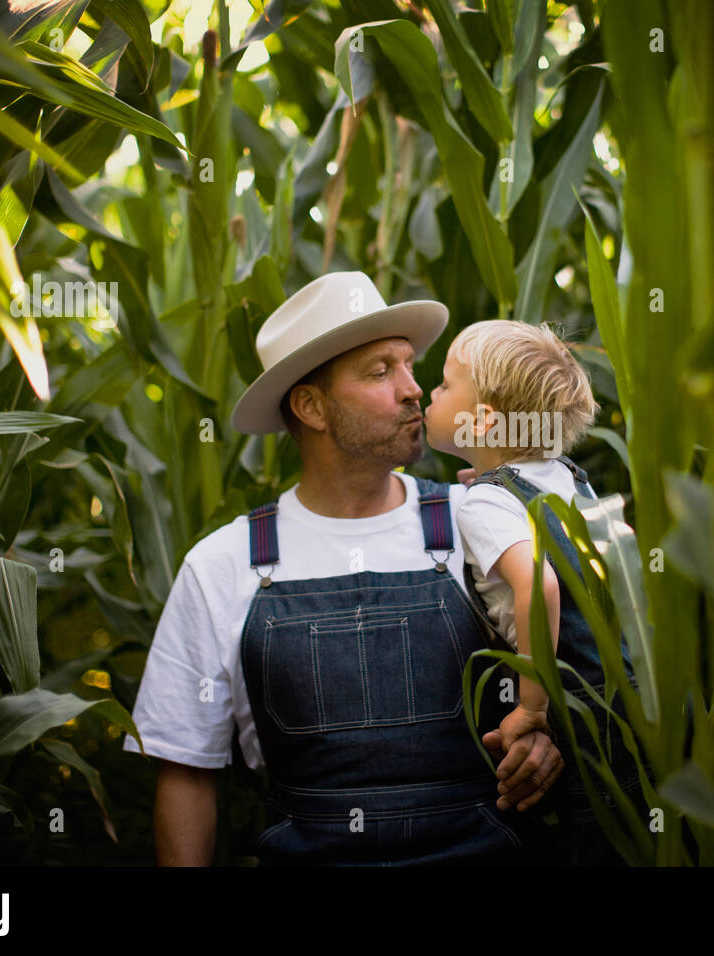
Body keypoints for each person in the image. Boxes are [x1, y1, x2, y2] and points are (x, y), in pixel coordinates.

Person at [123, 272, 563, 865]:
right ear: (310, 406)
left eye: (409, 365)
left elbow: (581, 669)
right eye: (380, 371)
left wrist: (547, 737)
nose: (414, 389)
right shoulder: (222, 565)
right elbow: (186, 773)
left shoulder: (480, 523)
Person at [423, 319, 647, 866]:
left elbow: (539, 584)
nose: (430, 392)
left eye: (447, 385)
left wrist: (531, 706)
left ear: (484, 422)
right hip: (633, 705)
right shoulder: (568, 478)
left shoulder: (486, 505)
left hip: (583, 725)